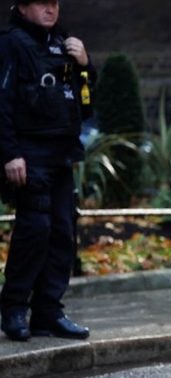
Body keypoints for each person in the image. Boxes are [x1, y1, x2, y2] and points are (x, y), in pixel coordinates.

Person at [0, 0, 94, 341]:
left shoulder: (63, 43)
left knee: (61, 234)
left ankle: (48, 312)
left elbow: (85, 103)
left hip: (61, 154)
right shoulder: (11, 44)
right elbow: (2, 102)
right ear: (22, 7)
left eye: (54, 3)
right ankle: (13, 309)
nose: (50, 9)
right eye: (42, 3)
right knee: (34, 231)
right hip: (30, 154)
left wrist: (85, 65)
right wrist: (10, 154)